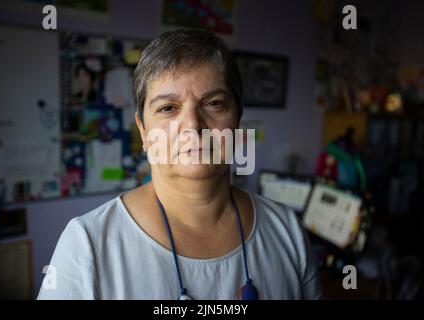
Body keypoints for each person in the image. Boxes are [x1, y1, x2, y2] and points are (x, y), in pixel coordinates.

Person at [38, 29, 322, 300]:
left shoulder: (288, 231)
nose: (193, 126)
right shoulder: (87, 246)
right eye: (168, 108)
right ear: (143, 131)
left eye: (213, 103)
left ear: (238, 120)